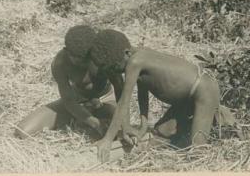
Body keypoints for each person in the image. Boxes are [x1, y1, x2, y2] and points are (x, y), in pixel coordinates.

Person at [89, 29, 229, 162]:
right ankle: (205, 119)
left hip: (204, 92)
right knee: (161, 133)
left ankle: (223, 119)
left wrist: (107, 140)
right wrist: (143, 126)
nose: (116, 72)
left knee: (198, 152)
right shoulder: (137, 57)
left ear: (126, 53)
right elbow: (143, 93)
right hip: (186, 100)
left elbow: (123, 104)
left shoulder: (135, 62)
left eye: (115, 67)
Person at [14, 25, 124, 140]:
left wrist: (121, 119)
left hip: (106, 98)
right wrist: (95, 123)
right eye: (79, 60)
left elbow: (120, 88)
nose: (84, 64)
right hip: (78, 101)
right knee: (22, 131)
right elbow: (69, 101)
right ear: (67, 52)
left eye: (88, 58)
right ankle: (84, 115)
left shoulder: (102, 54)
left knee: (114, 129)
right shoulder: (60, 63)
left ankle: (88, 115)